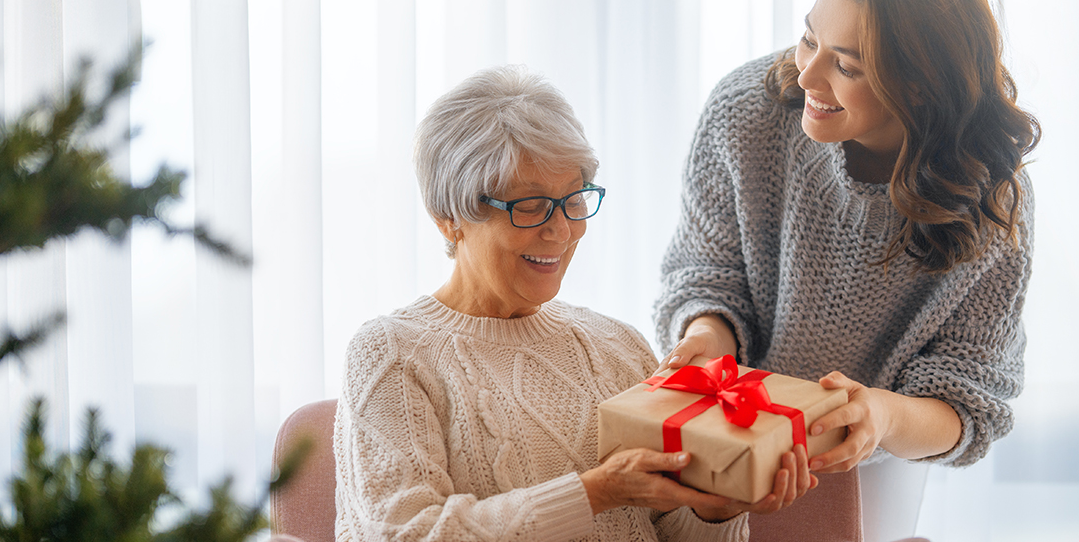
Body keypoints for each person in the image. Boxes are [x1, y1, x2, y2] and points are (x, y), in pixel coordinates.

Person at [334, 65, 812, 542]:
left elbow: (671, 530)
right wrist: (594, 493)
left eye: (574, 200)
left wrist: (717, 510)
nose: (561, 230)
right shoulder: (393, 353)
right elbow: (403, 535)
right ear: (448, 218)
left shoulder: (617, 344)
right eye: (530, 205)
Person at [655, 0, 1040, 528]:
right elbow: (704, 273)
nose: (806, 74)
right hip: (729, 442)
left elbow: (969, 400)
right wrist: (709, 335)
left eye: (847, 65)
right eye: (810, 38)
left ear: (919, 84)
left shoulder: (987, 200)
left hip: (872, 474)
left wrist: (880, 416)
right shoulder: (747, 113)